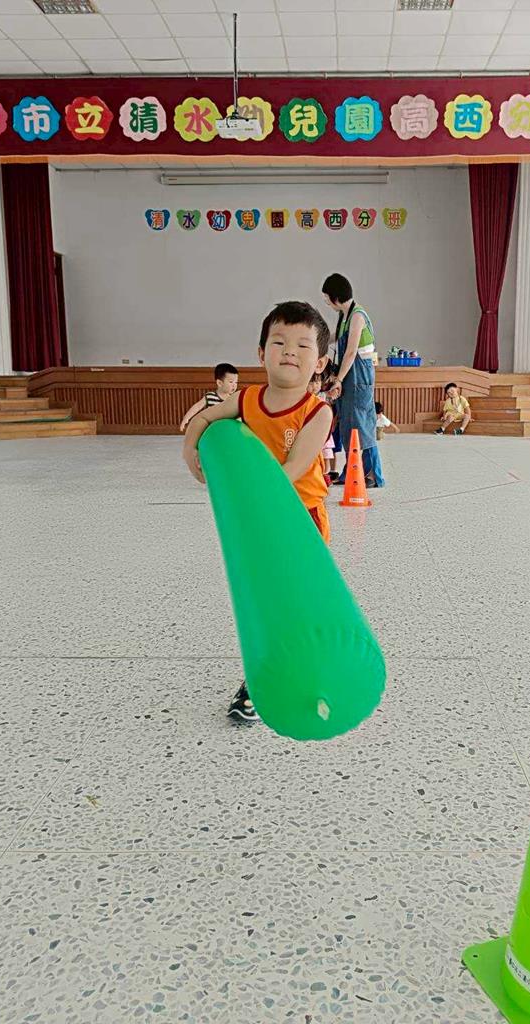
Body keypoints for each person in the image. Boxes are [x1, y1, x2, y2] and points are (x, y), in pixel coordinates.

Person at [183, 301, 333, 723]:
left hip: (300, 520)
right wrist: (190, 448)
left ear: (320, 362)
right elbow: (204, 419)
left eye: (303, 345)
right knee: (263, 603)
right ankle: (258, 680)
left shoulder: (317, 412)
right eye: (279, 342)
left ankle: (311, 671)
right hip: (258, 518)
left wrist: (249, 498)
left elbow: (294, 468)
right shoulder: (248, 399)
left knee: (298, 600)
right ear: (261, 352)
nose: (290, 351)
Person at [322, 273, 385, 488]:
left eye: (327, 298)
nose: (327, 302)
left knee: (361, 424)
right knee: (349, 424)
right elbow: (335, 338)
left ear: (336, 297)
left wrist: (338, 379)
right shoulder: (344, 315)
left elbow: (350, 352)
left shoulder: (357, 316)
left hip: (359, 377)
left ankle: (372, 474)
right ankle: (352, 470)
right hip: (349, 376)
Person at [180, 362, 239, 432]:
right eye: (231, 382)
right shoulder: (210, 396)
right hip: (213, 430)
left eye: (236, 382)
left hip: (228, 430)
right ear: (219, 383)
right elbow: (197, 407)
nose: (234, 385)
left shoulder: (233, 399)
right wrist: (186, 418)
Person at [309, 373, 336, 479]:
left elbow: (333, 393)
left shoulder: (323, 395)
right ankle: (316, 473)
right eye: (311, 382)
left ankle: (326, 473)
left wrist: (334, 388)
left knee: (326, 452)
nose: (314, 386)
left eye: (317, 382)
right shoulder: (305, 397)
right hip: (311, 431)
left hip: (324, 430)